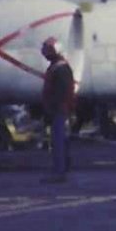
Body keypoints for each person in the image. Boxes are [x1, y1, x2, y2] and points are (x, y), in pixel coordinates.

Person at [39, 38, 77, 183]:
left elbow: (62, 92)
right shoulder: (58, 67)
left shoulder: (59, 68)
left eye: (47, 49)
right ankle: (62, 169)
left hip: (59, 110)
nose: (44, 52)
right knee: (60, 141)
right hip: (59, 110)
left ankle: (59, 172)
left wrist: (53, 107)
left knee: (58, 141)